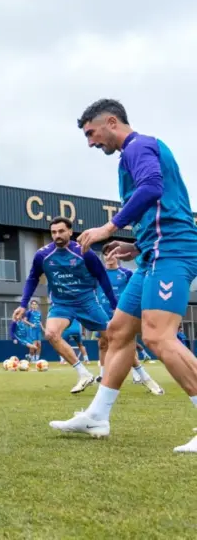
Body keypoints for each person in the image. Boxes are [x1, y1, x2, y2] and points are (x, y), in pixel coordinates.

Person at [51, 100, 197, 452]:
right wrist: (135, 245)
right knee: (117, 333)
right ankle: (98, 416)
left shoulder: (139, 146)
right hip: (153, 253)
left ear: (111, 122)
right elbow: (156, 208)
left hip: (173, 250)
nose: (90, 142)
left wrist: (110, 226)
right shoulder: (130, 154)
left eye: (91, 133)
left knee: (159, 337)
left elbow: (152, 188)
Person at [14, 217, 113, 393]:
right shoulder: (42, 255)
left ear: (70, 231)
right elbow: (32, 279)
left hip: (86, 301)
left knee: (114, 337)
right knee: (51, 334)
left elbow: (102, 277)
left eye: (61, 231)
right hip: (61, 303)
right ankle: (83, 374)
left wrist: (115, 304)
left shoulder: (84, 252)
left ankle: (140, 375)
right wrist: (23, 304)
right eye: (53, 232)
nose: (57, 235)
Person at [94, 250, 162, 394]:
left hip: (122, 313)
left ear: (118, 256)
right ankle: (103, 374)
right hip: (103, 313)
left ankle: (142, 375)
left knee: (126, 343)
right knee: (102, 344)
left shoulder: (126, 273)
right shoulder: (98, 274)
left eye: (112, 254)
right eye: (106, 254)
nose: (109, 257)